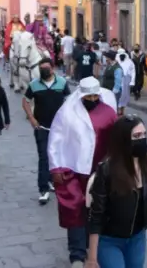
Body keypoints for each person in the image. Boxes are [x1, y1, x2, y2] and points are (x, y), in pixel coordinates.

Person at [86, 115, 147, 268]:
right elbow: (96, 216)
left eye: (144, 134)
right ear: (123, 140)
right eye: (137, 136)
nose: (142, 139)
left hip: (137, 239)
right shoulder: (106, 171)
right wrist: (92, 258)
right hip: (109, 241)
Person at [48, 77, 118, 267]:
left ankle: (95, 248)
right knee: (75, 209)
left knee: (98, 210)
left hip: (101, 171)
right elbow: (55, 139)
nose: (92, 99)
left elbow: (116, 140)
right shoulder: (67, 112)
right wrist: (55, 167)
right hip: (73, 169)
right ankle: (77, 254)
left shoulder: (109, 112)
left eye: (95, 96)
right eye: (89, 96)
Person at [23, 58, 70, 204]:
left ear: (52, 68)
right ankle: (43, 189)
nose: (44, 71)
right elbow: (25, 101)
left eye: (46, 68)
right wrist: (31, 118)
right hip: (41, 127)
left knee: (57, 156)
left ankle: (51, 180)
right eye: (41, 69)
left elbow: (69, 101)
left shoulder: (62, 83)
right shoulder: (34, 85)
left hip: (59, 128)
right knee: (43, 156)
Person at [116, 49, 135, 115]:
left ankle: (122, 111)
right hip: (117, 80)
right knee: (118, 95)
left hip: (126, 80)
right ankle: (117, 110)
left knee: (125, 96)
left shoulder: (129, 62)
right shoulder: (116, 60)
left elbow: (133, 72)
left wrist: (132, 81)